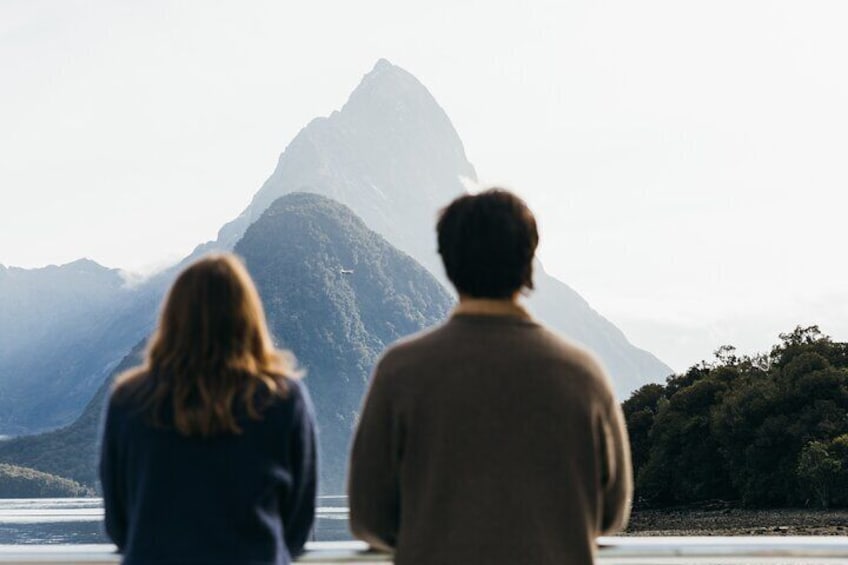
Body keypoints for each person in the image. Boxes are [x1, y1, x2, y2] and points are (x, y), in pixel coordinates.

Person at [348, 189, 632, 565]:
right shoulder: (583, 374)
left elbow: (369, 517)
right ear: (528, 258)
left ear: (448, 262)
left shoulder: (401, 371)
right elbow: (611, 514)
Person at [99, 253, 316, 565]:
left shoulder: (129, 400)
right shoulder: (282, 399)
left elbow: (119, 523)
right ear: (248, 318)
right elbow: (297, 523)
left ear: (172, 318)